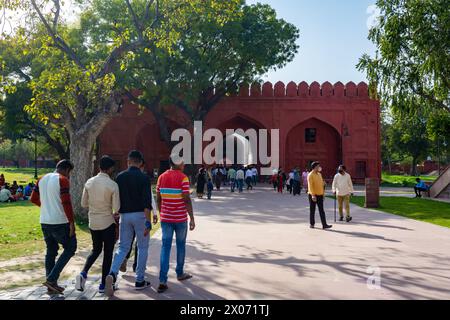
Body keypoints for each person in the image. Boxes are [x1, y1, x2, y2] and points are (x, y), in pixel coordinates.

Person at [105, 150, 156, 297]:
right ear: (140, 162)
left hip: (124, 215)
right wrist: (148, 221)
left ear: (128, 161)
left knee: (123, 247)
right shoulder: (144, 178)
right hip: (140, 215)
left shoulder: (120, 177)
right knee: (142, 247)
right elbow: (147, 202)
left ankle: (112, 274)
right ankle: (139, 280)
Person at [30, 159, 77, 294]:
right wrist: (72, 223)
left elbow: (33, 198)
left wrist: (46, 207)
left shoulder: (42, 179)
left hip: (45, 221)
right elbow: (66, 203)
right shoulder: (63, 180)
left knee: (51, 251)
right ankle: (51, 279)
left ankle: (51, 284)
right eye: (69, 173)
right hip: (60, 222)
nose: (69, 176)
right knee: (71, 247)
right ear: (67, 170)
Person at [75, 156, 120, 294]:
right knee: (107, 254)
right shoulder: (112, 185)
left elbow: (83, 204)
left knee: (95, 250)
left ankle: (83, 273)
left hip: (93, 222)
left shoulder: (89, 182)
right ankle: (102, 285)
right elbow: (116, 208)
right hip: (107, 222)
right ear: (110, 168)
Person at [156, 156, 196, 293]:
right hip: (180, 219)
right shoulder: (183, 178)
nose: (184, 165)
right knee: (180, 245)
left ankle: (162, 280)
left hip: (166, 219)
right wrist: (192, 218)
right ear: (177, 164)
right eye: (183, 163)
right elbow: (186, 199)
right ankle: (179, 273)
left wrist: (162, 213)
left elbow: (158, 198)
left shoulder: (161, 177)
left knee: (165, 248)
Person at [308, 161, 332, 230]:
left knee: (321, 210)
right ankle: (312, 224)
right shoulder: (310, 175)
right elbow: (310, 186)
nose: (319, 167)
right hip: (313, 195)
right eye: (318, 166)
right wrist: (313, 195)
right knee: (312, 210)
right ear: (315, 167)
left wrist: (323, 194)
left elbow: (321, 185)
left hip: (320, 195)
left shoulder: (319, 174)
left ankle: (324, 224)